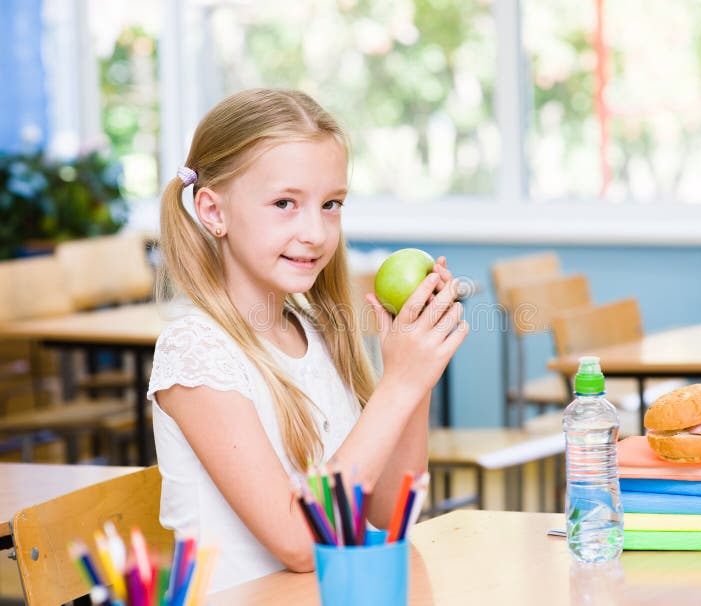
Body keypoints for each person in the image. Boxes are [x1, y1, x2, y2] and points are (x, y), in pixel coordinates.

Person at [147, 88, 469, 592]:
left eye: (331, 204)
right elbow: (302, 542)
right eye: (284, 203)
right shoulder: (195, 353)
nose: (316, 232)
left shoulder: (318, 333)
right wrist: (398, 387)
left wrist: (417, 374)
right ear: (213, 211)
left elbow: (385, 511)